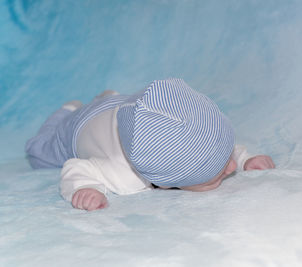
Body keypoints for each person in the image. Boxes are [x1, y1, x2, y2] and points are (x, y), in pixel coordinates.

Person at [25, 78, 275, 211]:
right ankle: (66, 110)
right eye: (215, 175)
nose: (231, 167)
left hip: (129, 106)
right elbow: (76, 167)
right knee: (41, 153)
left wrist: (245, 158)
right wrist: (86, 187)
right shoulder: (121, 173)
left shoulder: (184, 130)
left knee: (125, 105)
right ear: (164, 183)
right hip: (79, 126)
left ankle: (108, 97)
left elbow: (212, 140)